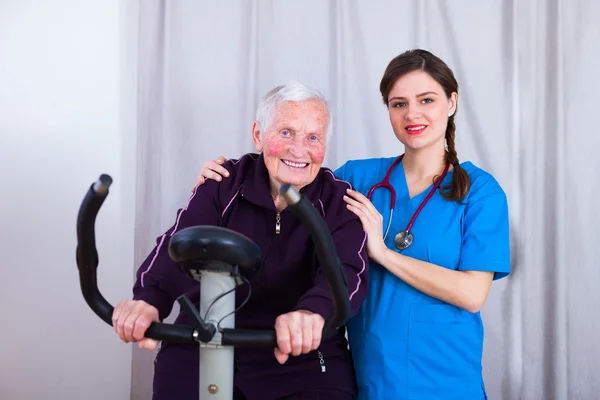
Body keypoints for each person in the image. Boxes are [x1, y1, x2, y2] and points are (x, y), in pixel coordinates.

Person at [195, 49, 511, 400]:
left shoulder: (481, 192)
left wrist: (383, 253)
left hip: (446, 380)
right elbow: (288, 174)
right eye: (399, 103)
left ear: (451, 103)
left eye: (427, 100)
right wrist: (226, 177)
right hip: (367, 379)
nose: (413, 114)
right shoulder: (356, 179)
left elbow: (472, 294)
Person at [112, 81, 369, 400]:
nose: (299, 149)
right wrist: (148, 300)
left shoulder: (338, 202)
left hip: (297, 349)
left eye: (313, 137)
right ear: (259, 135)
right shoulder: (223, 183)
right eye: (286, 132)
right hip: (205, 336)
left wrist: (313, 313)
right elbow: (178, 244)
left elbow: (346, 273)